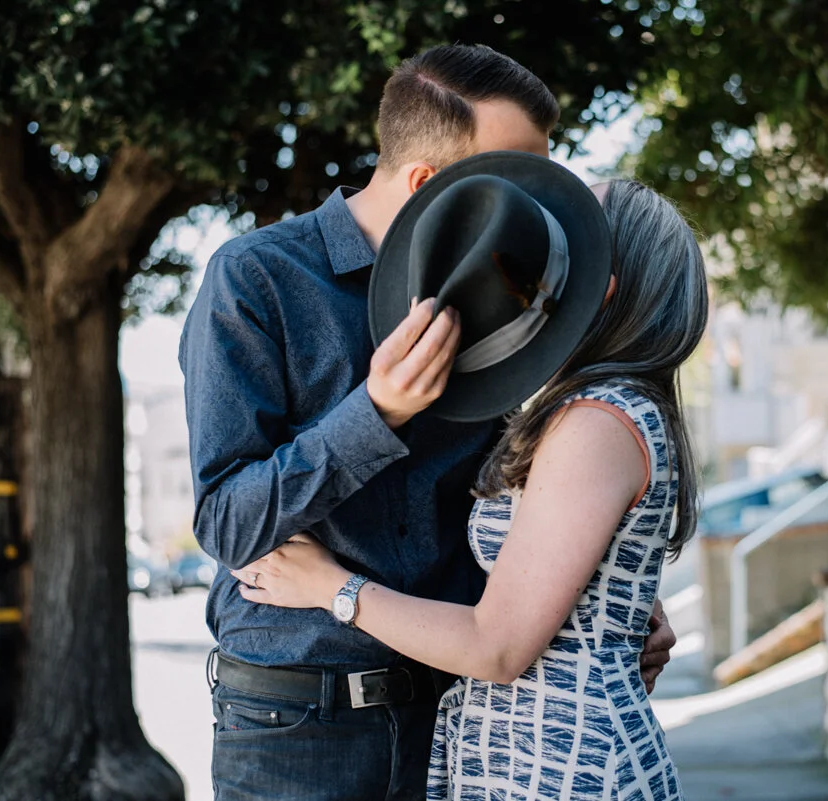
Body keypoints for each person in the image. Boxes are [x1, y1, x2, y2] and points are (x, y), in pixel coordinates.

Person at [179, 44, 676, 801]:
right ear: (425, 186)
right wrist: (376, 413)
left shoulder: (509, 286)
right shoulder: (256, 280)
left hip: (461, 713)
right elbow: (228, 523)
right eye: (514, 177)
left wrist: (602, 585)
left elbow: (536, 481)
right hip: (296, 725)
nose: (534, 203)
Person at [235, 171, 708, 800]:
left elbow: (499, 647)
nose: (535, 254)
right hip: (535, 756)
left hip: (563, 768)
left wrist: (329, 587)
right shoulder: (589, 412)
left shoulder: (596, 423)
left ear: (601, 292)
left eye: (566, 249)